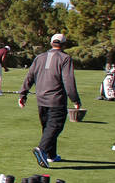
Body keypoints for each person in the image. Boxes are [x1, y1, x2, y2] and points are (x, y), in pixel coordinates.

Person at [18, 33, 81, 167]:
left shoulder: (39, 57)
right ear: (64, 44)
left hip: (41, 98)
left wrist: (23, 94)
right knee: (55, 126)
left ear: (51, 43)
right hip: (56, 99)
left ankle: (51, 155)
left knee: (47, 127)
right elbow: (68, 80)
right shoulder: (65, 58)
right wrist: (75, 99)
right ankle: (42, 149)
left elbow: (30, 76)